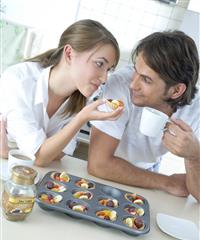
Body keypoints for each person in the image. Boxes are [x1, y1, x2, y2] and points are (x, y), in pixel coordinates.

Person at [88, 30, 200, 201]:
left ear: (176, 90)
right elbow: (99, 164)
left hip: (148, 171)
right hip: (109, 169)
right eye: (135, 70)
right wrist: (167, 182)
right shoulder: (120, 84)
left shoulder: (196, 110)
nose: (133, 84)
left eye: (146, 80)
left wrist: (194, 156)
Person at [0, 19, 123, 166]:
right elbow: (40, 158)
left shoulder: (82, 99)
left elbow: (57, 154)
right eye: (99, 64)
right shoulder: (19, 81)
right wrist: (81, 118)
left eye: (108, 69)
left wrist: (30, 152)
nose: (104, 79)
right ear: (69, 54)